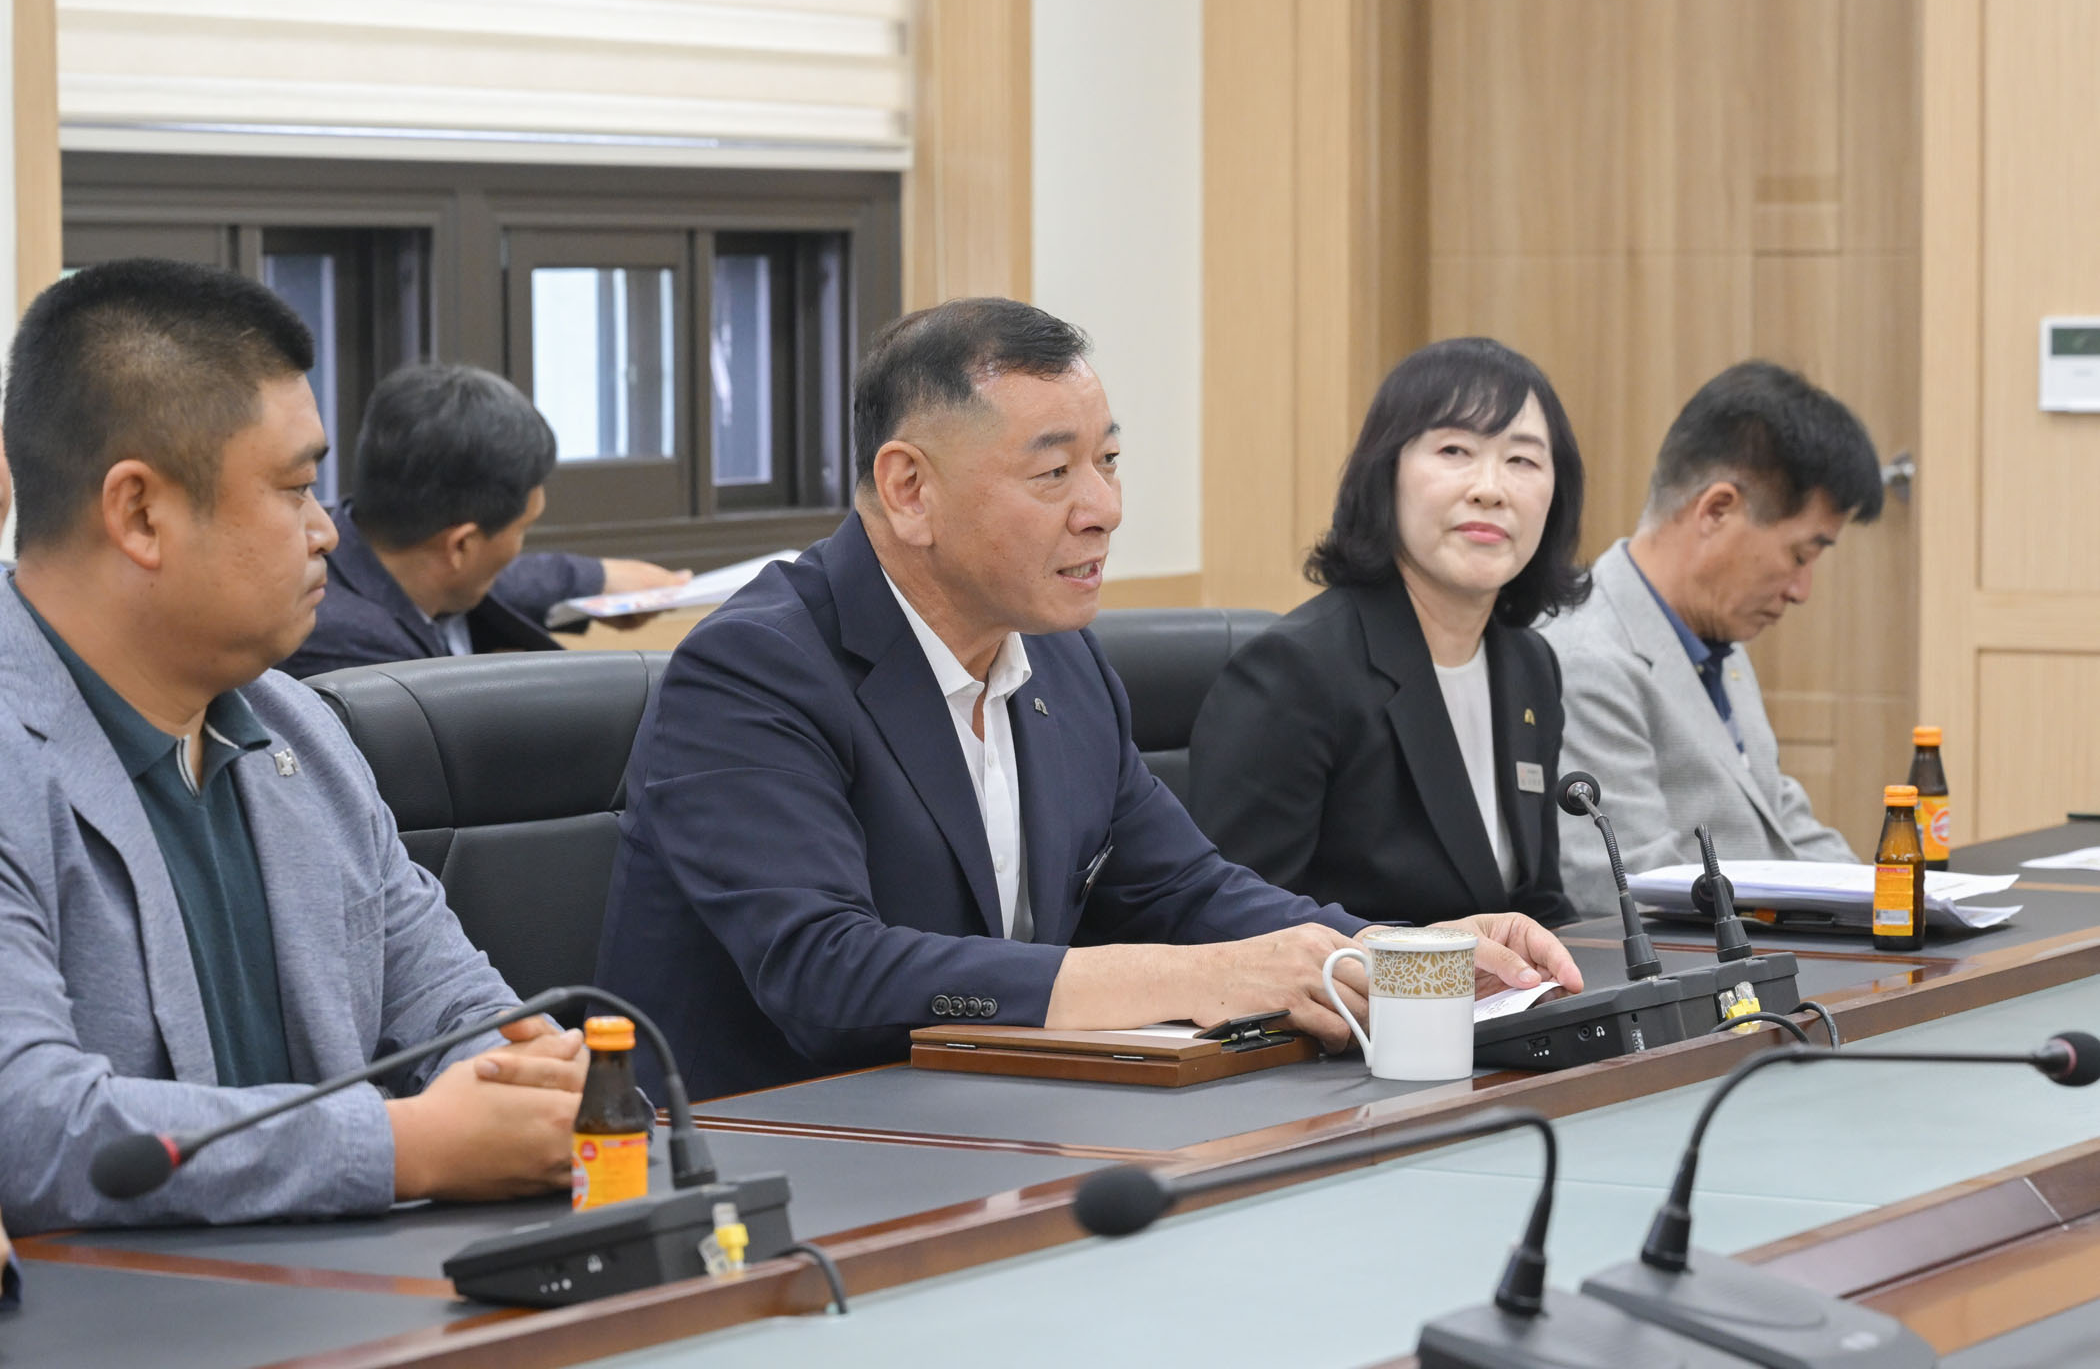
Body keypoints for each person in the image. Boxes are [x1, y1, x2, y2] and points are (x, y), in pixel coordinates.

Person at [595, 298, 1583, 1100]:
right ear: (909, 489)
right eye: (1054, 471)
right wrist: (1199, 979)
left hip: (995, 1130)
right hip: (769, 1161)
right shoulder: (753, 670)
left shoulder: (1062, 664)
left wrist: (1397, 954)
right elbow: (827, 972)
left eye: (1108, 461)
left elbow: (1189, 890)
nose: (1103, 508)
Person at [0, 259, 585, 1233]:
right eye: (296, 489)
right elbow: (29, 1126)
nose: (326, 532)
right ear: (139, 513)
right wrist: (405, 1145)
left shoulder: (302, 730)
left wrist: (533, 1087)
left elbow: (459, 1008)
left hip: (349, 1291)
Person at [1189, 338, 1588, 929]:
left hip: (1494, 990)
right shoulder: (1296, 672)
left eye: (1522, 461)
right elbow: (1233, 925)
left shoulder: (1529, 664)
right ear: (1387, 473)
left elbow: (1537, 902)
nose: (1490, 488)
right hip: (1345, 989)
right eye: (1455, 450)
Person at [1540, 360, 1884, 914]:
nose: (1802, 591)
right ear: (1717, 510)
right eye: (1800, 555)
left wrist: (1894, 901)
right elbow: (1625, 885)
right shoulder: (1586, 657)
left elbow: (1783, 824)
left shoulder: (1717, 641)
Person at [278, 362, 689, 679]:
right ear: (461, 545)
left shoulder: (382, 555)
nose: (518, 551)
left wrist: (598, 580)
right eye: (522, 530)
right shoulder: (359, 659)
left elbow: (513, 582)